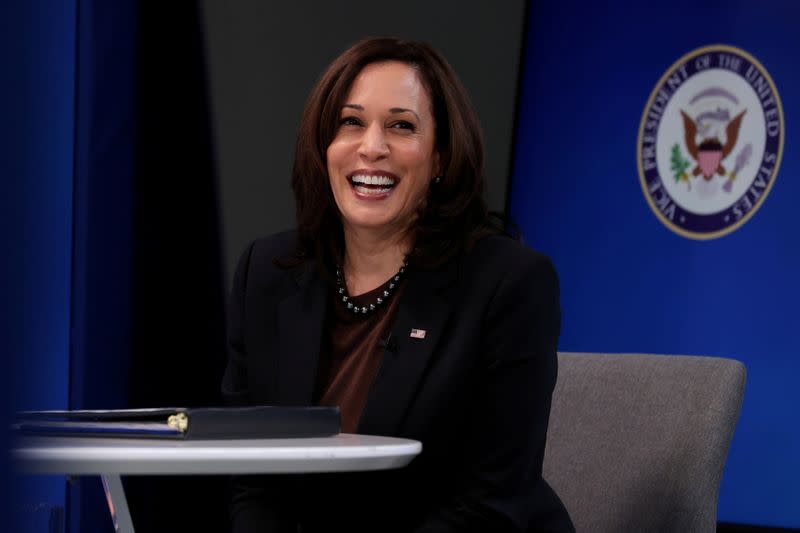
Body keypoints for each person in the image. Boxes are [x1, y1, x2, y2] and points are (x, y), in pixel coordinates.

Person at [222, 37, 574, 533]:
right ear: (324, 147)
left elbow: (491, 502)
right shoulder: (269, 271)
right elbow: (253, 479)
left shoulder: (509, 284)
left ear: (441, 157)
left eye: (401, 126)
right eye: (351, 122)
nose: (372, 147)